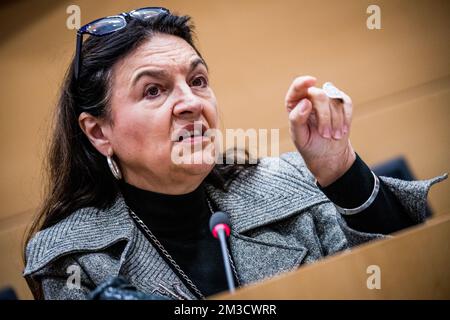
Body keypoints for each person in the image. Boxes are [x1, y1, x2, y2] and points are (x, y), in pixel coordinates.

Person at [23, 8, 446, 300]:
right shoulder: (72, 259)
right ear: (98, 132)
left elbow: (410, 280)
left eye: (199, 80)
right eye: (153, 90)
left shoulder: (292, 182)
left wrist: (339, 171)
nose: (191, 102)